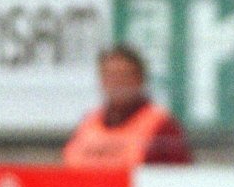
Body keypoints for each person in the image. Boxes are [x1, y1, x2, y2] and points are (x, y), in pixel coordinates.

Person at [63, 44, 193, 168]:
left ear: (140, 79)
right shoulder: (88, 124)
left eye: (124, 75)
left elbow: (177, 179)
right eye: (110, 76)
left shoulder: (160, 126)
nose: (117, 82)